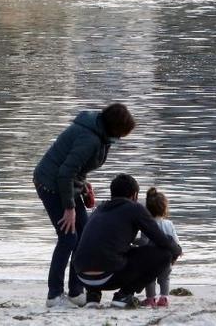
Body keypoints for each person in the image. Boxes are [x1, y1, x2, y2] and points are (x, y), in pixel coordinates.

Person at [33, 103, 136, 308]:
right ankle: (54, 295)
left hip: (67, 183)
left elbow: (76, 168)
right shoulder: (89, 138)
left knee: (84, 235)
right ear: (114, 128)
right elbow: (65, 173)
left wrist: (84, 185)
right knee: (68, 238)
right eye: (122, 133)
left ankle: (75, 291)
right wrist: (69, 208)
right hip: (51, 184)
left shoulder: (100, 133)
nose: (122, 138)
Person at [73, 174, 182, 309]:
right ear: (134, 195)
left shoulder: (98, 209)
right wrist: (177, 250)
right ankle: (124, 294)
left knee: (103, 249)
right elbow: (160, 239)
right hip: (109, 276)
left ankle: (93, 296)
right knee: (165, 254)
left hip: (83, 276)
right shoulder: (134, 208)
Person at [140, 187, 179, 308]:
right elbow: (175, 242)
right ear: (164, 208)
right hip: (166, 258)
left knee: (149, 279)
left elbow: (144, 242)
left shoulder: (146, 224)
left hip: (151, 259)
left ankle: (151, 299)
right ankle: (164, 298)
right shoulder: (169, 224)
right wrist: (174, 257)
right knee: (165, 278)